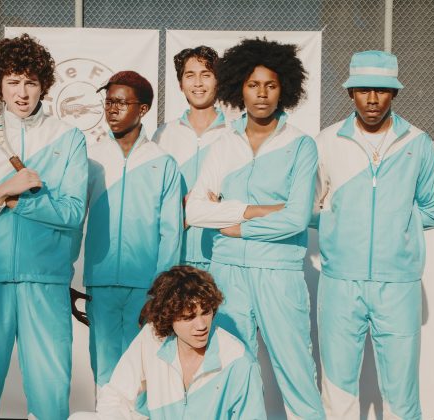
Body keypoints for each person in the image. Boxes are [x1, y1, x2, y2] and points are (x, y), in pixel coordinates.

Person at [0, 34, 88, 420]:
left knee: (51, 398)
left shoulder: (69, 138)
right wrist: (1, 193)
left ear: (43, 85)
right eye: (13, 82)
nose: (22, 93)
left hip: (45, 282)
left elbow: (73, 212)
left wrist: (15, 200)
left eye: (30, 82)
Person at [186, 38, 325, 419]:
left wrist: (238, 227)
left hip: (279, 273)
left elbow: (297, 218)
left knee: (296, 371)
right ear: (239, 88)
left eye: (270, 85)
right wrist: (251, 210)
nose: (261, 94)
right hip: (227, 271)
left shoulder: (301, 145)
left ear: (284, 89)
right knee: (232, 373)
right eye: (252, 84)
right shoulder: (224, 143)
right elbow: (195, 210)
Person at [312, 50, 434, 419]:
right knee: (337, 391)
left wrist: (395, 226)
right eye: (363, 90)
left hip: (398, 284)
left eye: (382, 91)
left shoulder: (417, 142)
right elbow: (309, 206)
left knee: (402, 395)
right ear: (350, 93)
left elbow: (433, 209)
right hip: (340, 283)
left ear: (394, 93)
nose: (372, 99)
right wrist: (342, 225)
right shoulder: (327, 141)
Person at [83, 70, 183, 391]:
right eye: (108, 102)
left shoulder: (163, 162)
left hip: (146, 287)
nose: (112, 110)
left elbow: (172, 233)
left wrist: (161, 290)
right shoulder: (91, 158)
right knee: (104, 372)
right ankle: (106, 413)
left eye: (121, 103)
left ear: (143, 109)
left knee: (145, 371)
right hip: (100, 283)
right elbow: (74, 219)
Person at [70, 265, 267, 420]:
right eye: (189, 317)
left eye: (206, 312)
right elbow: (116, 395)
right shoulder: (152, 338)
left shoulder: (238, 361)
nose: (201, 325)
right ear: (169, 317)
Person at [153, 46, 226, 270]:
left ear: (218, 81)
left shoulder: (234, 133)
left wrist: (221, 208)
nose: (198, 83)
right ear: (180, 84)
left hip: (219, 255)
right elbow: (153, 195)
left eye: (206, 75)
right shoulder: (164, 134)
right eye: (190, 75)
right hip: (175, 257)